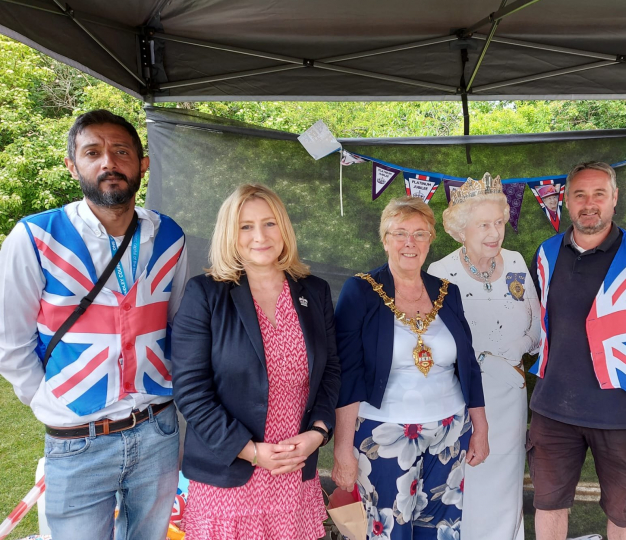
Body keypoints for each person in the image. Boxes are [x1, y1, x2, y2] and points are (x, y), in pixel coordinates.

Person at [0, 109, 188, 540]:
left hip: (157, 427)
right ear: (73, 165)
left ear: (142, 164)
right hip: (76, 439)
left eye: (121, 151)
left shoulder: (169, 235)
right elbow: (8, 342)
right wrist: (50, 401)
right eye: (93, 152)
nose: (109, 162)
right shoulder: (35, 237)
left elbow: (177, 323)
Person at [171, 184, 340, 539]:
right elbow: (191, 392)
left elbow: (330, 373)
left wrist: (318, 434)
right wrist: (250, 451)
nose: (259, 236)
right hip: (230, 475)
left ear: (284, 229)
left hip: (295, 472)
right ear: (230, 234)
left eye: (269, 223)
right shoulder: (205, 293)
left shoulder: (315, 291)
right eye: (246, 226)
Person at [529, 162, 626, 540]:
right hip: (553, 411)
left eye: (599, 194)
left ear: (615, 199)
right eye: (579, 194)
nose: (589, 203)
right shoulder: (545, 254)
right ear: (565, 201)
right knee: (548, 504)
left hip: (623, 414)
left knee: (624, 510)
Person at [332, 196, 488, 540]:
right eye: (399, 233)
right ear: (384, 239)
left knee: (442, 528)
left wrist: (480, 427)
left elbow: (468, 366)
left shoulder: (449, 292)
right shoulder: (360, 291)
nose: (409, 243)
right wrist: (342, 448)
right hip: (383, 434)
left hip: (450, 431)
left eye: (419, 234)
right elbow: (347, 373)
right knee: (389, 530)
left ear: (431, 240)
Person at [427, 173, 540, 540]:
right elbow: (434, 343)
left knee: (507, 483)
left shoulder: (517, 262)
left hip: (510, 393)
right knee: (467, 482)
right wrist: (485, 358)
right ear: (461, 230)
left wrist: (519, 346)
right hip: (463, 398)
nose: (494, 233)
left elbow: (538, 327)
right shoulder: (440, 273)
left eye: (498, 223)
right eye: (482, 225)